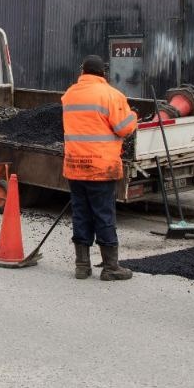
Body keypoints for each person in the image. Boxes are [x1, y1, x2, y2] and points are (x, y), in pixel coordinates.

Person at [61, 55, 139, 280]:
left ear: (82, 71)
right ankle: (111, 267)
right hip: (101, 168)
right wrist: (133, 115)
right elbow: (124, 128)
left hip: (75, 165)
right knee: (104, 215)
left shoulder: (69, 95)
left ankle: (82, 266)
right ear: (103, 73)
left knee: (81, 215)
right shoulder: (111, 96)